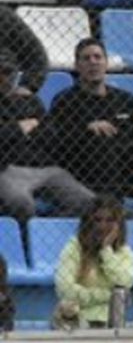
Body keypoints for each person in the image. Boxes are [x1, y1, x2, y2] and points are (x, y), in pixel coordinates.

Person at [50, 39, 133, 220]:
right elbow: (57, 141)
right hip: (87, 175)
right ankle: (113, 208)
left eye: (98, 57)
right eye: (86, 58)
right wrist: (86, 128)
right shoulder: (65, 100)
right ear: (77, 66)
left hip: (128, 174)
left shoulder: (125, 99)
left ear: (106, 63)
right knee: (102, 136)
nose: (93, 62)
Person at [0, 56, 95, 220]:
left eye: (8, 72)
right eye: (0, 72)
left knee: (90, 203)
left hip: (45, 168)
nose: (4, 78)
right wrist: (18, 128)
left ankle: (51, 234)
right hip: (7, 169)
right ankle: (27, 242)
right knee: (22, 203)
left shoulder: (29, 100)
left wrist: (12, 132)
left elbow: (49, 134)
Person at [54, 195, 133, 329]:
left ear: (119, 225)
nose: (103, 226)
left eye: (110, 220)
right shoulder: (74, 247)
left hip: (112, 321)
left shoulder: (125, 252)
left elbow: (125, 281)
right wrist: (109, 296)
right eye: (97, 220)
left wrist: (106, 250)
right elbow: (65, 290)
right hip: (78, 319)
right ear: (88, 222)